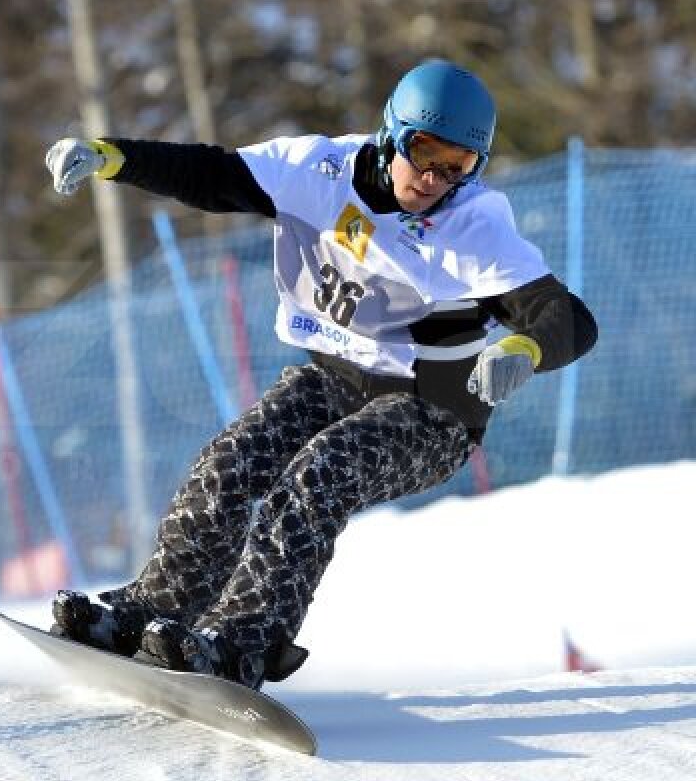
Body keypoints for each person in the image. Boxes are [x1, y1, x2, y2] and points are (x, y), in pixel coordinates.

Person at [43, 59, 598, 689]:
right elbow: (211, 174)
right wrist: (110, 156)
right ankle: (156, 607)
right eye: (426, 152)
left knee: (322, 469)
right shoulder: (317, 171)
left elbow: (567, 315)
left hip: (432, 412)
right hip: (336, 379)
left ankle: (244, 640)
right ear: (393, 132)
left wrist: (524, 347)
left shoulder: (471, 225)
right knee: (232, 462)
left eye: (460, 164)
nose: (436, 177)